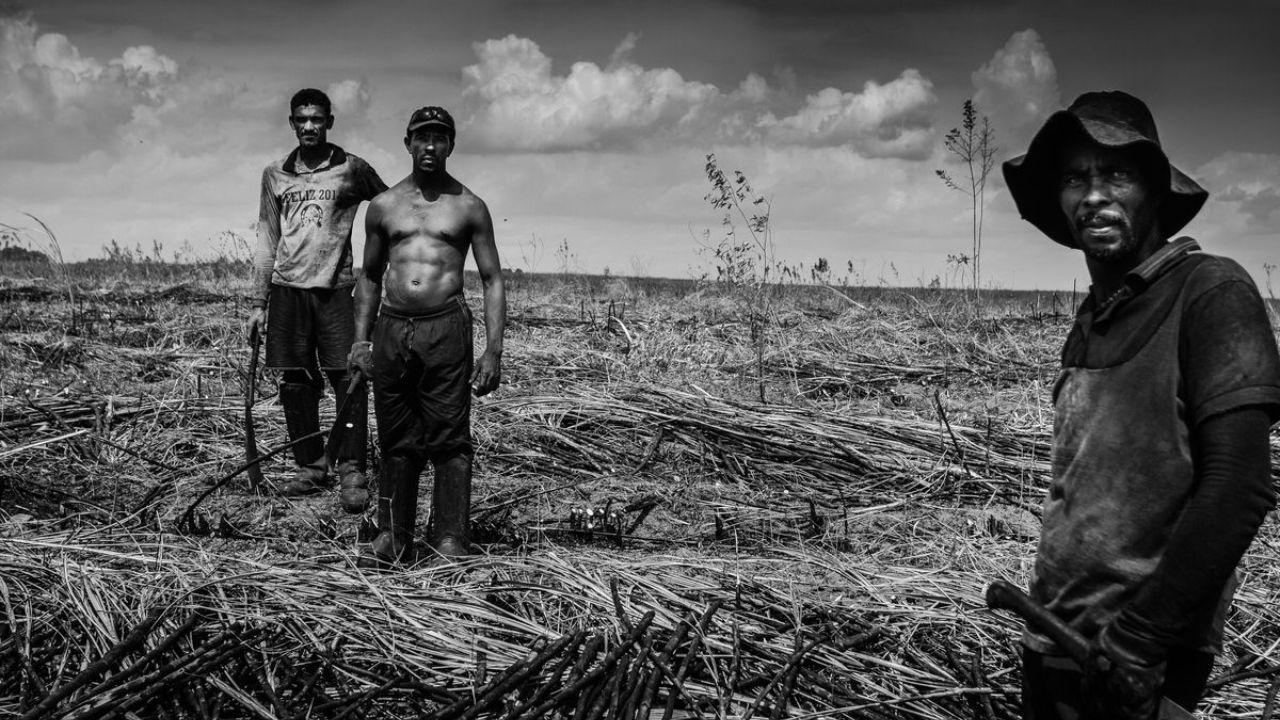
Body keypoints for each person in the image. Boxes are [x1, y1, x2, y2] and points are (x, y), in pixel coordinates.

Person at [1003, 90, 1280, 719]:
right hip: (1056, 635)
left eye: (1117, 173)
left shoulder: (1212, 291)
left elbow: (1241, 485)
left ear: (1155, 190)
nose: (1094, 194)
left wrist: (1142, 637)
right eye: (1076, 178)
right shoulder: (1095, 317)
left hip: (1135, 660)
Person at [348, 106, 505, 565]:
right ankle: (393, 537)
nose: (430, 147)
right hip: (393, 328)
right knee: (397, 436)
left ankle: (451, 538)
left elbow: (493, 278)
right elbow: (370, 275)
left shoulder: (469, 206)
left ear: (451, 145)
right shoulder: (383, 206)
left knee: (449, 437)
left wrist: (494, 351)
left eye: (440, 138)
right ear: (408, 143)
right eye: (422, 138)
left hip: (446, 326)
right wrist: (361, 341)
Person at [247, 88, 388, 512]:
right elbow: (267, 236)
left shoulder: (351, 169)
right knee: (295, 382)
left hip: (336, 290)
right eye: (302, 119)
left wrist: (378, 268)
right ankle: (310, 465)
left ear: (330, 121)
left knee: (350, 378)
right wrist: (258, 302)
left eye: (317, 119)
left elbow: (389, 206)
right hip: (288, 291)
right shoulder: (276, 174)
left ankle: (352, 468)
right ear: (291, 123)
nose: (310, 126)